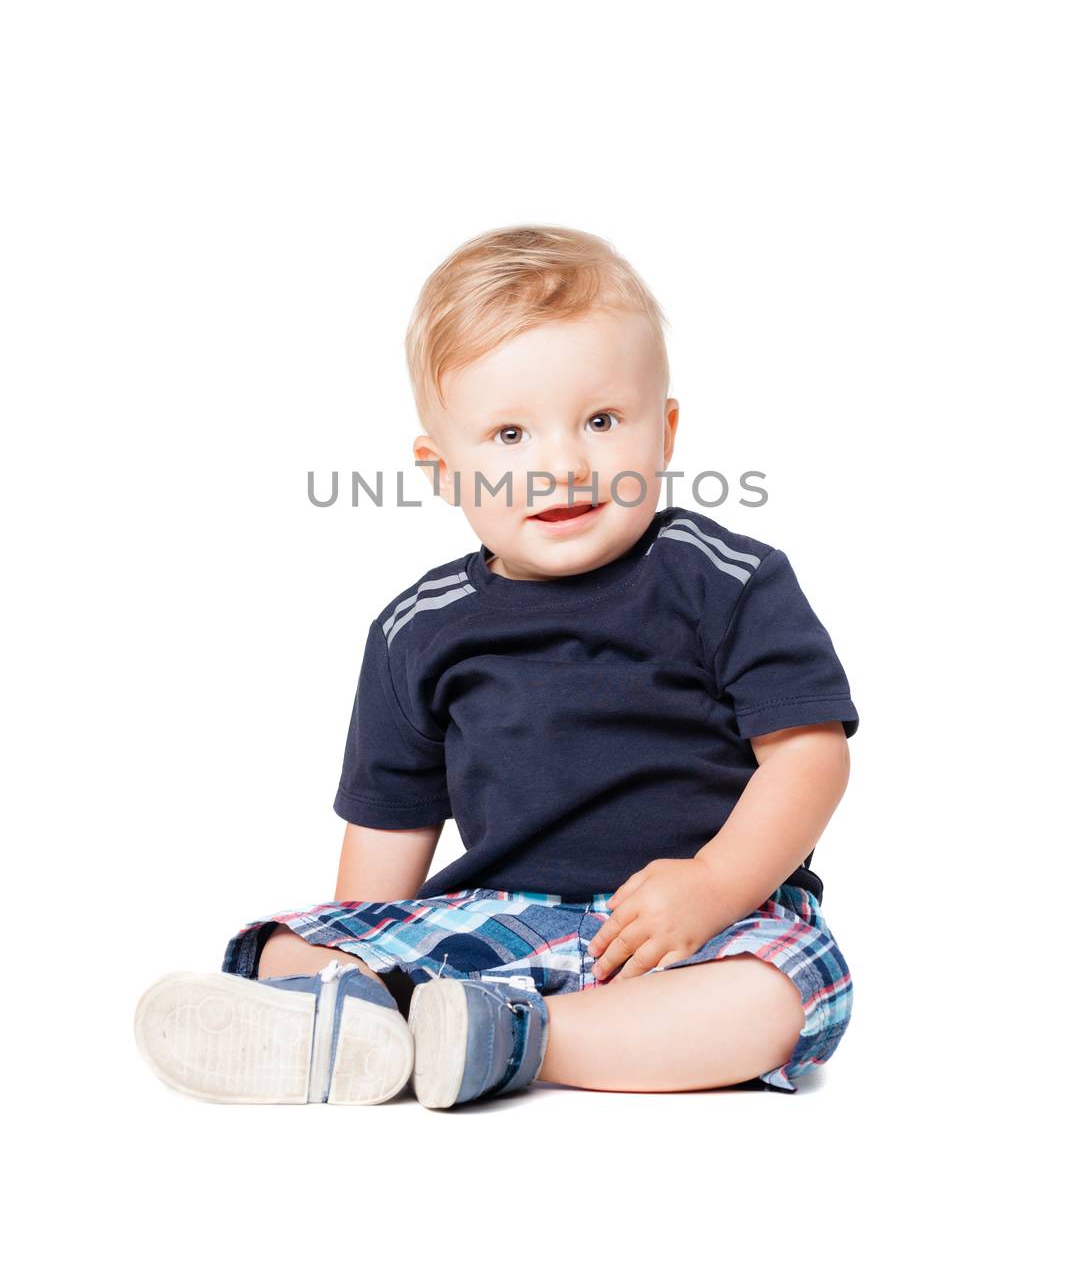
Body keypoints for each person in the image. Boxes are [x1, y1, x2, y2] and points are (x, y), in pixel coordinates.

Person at [134, 225, 858, 1108]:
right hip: (499, 922)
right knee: (289, 943)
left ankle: (513, 1039)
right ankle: (358, 1016)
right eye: (509, 434)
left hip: (698, 927)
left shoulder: (724, 579)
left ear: (663, 432)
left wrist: (712, 885)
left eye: (600, 421)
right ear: (444, 473)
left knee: (784, 988)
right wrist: (360, 946)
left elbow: (810, 754)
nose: (560, 464)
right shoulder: (419, 628)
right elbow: (388, 831)